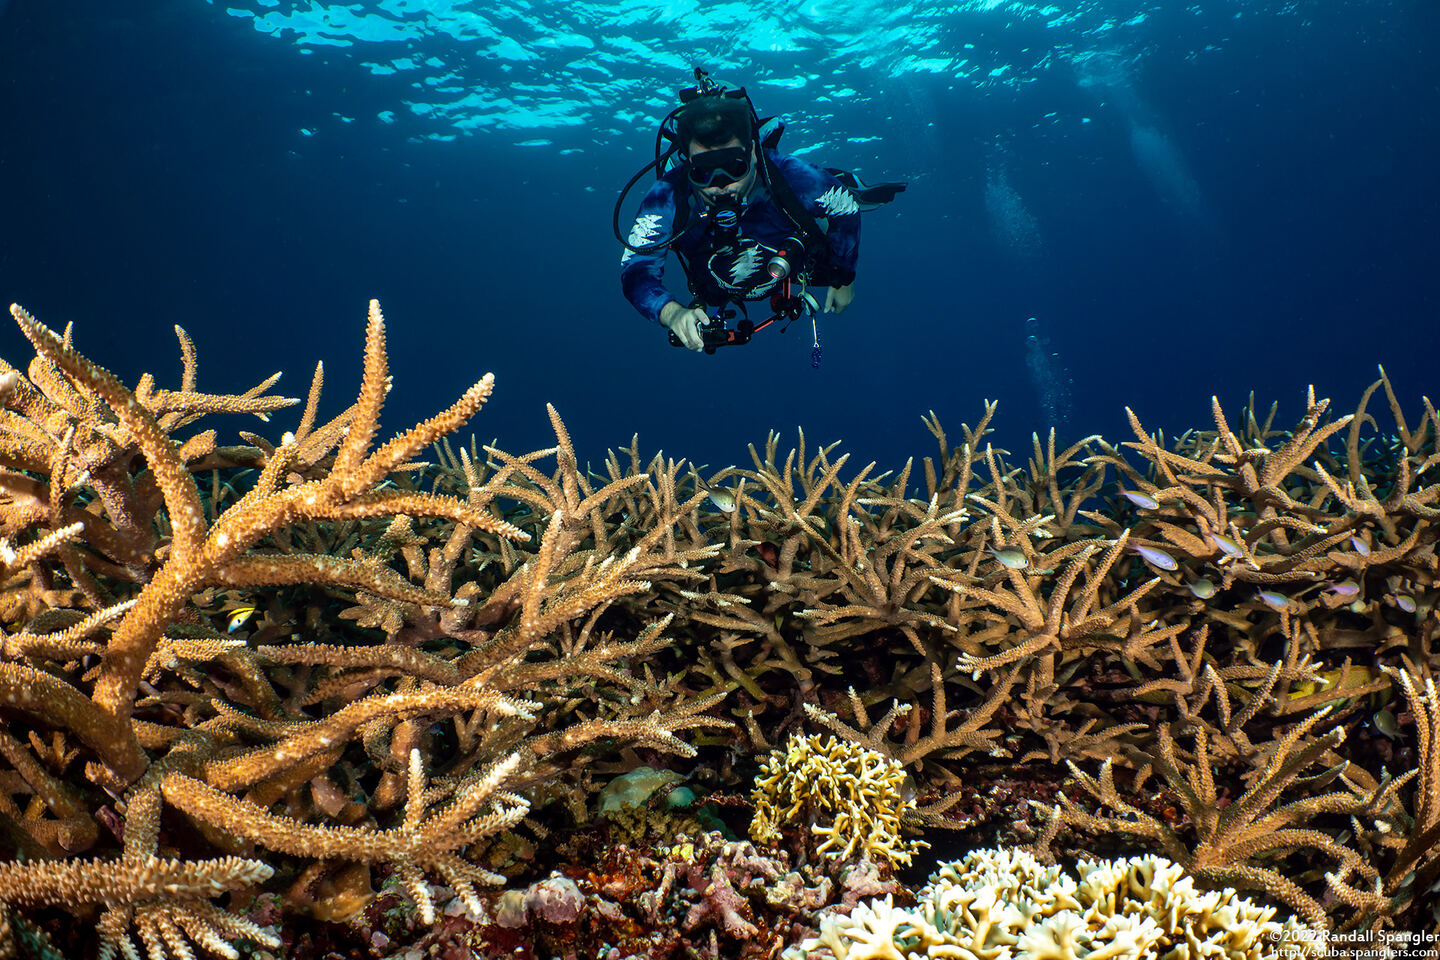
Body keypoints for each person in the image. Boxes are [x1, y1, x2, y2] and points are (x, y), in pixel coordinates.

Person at [618, 79, 873, 354]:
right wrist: (672, 313)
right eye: (703, 172)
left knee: (824, 210)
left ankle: (834, 183)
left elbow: (846, 208)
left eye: (733, 166)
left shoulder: (794, 177)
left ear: (752, 152)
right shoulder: (667, 196)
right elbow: (635, 268)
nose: (721, 185)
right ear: (687, 164)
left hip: (789, 266)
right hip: (717, 286)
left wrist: (843, 277)